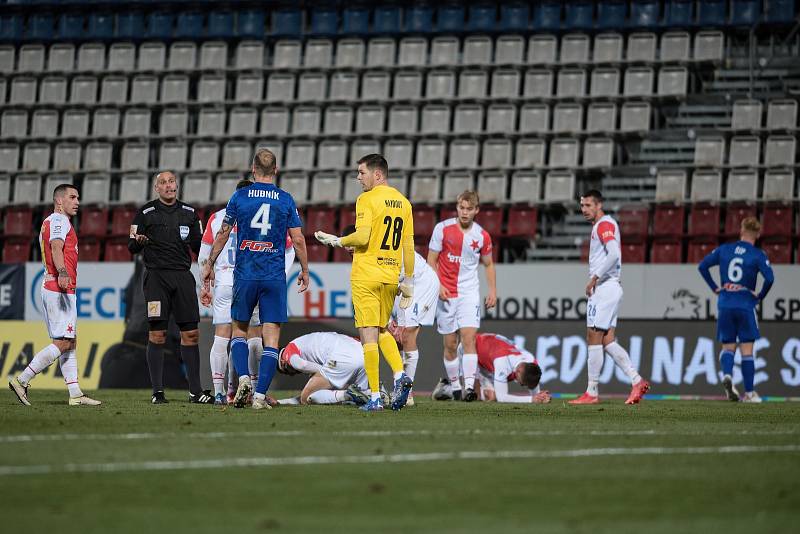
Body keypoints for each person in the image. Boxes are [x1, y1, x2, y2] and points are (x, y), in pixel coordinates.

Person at [201, 149, 309, 410]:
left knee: (238, 331)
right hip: (273, 275)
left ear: (252, 169)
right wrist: (305, 270)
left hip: (245, 274)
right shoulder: (285, 199)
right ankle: (259, 396)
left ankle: (243, 379)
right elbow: (297, 239)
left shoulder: (239, 196)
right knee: (270, 337)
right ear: (276, 169)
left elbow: (224, 233)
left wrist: (209, 264)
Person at [313, 153, 415, 412]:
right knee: (381, 330)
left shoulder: (367, 199)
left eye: (362, 172)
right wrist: (410, 281)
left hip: (367, 275)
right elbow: (408, 245)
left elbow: (362, 237)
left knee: (368, 336)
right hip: (392, 276)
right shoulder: (403, 203)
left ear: (377, 174)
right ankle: (401, 375)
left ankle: (375, 397)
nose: (358, 178)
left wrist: (337, 241)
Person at [8, 184, 101, 407]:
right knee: (62, 342)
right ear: (59, 201)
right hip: (58, 287)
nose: (77, 201)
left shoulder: (51, 221)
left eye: (78, 197)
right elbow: (56, 246)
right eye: (72, 197)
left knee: (70, 341)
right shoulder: (59, 220)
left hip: (54, 286)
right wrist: (62, 272)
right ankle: (23, 380)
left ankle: (75, 393)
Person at [128, 171, 211, 404]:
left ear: (177, 185)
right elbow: (131, 246)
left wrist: (209, 268)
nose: (168, 186)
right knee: (157, 334)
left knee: (191, 334)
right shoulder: (144, 213)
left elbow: (200, 248)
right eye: (163, 183)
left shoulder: (190, 214)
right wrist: (139, 241)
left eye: (171, 181)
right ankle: (157, 392)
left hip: (183, 278)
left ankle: (195, 392)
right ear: (157, 188)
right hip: (156, 279)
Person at [570, 190, 649, 405]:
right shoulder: (604, 225)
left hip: (604, 288)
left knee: (593, 336)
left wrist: (594, 277)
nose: (584, 209)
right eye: (582, 205)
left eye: (588, 205)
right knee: (607, 340)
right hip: (611, 287)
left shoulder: (604, 224)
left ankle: (592, 392)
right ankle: (636, 380)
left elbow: (613, 253)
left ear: (599, 205)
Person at [427, 190, 497, 402]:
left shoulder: (482, 236)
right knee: (450, 343)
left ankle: (469, 387)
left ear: (476, 210)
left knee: (469, 339)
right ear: (457, 207)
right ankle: (455, 386)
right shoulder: (442, 229)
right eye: (461, 208)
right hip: (446, 293)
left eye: (469, 209)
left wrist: (493, 290)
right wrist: (437, 285)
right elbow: (431, 260)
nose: (464, 213)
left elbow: (489, 263)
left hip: (469, 293)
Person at [698, 217, 774, 403]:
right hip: (745, 304)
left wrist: (715, 287)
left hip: (725, 303)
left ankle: (727, 375)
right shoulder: (758, 255)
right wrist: (760, 296)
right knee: (747, 349)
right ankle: (749, 393)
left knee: (728, 346)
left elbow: (702, 266)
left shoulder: (725, 249)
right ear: (757, 234)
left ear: (741, 230)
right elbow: (770, 279)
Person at [433, 333, 550, 404]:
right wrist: (531, 400)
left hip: (488, 355)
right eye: (522, 383)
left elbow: (533, 386)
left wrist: (540, 396)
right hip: (470, 350)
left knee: (490, 395)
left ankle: (454, 389)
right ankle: (445, 388)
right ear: (518, 371)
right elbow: (502, 398)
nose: (521, 385)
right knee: (477, 395)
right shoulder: (503, 362)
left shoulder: (530, 360)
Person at [387, 249, 440, 406]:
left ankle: (407, 394)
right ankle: (400, 386)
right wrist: (389, 321)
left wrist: (396, 321)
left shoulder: (386, 252)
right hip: (403, 284)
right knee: (397, 339)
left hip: (420, 283)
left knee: (406, 334)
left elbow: (395, 288)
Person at [275, 332, 371, 406]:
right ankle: (378, 393)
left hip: (341, 357)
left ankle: (348, 395)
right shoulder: (306, 341)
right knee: (364, 396)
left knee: (306, 397)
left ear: (283, 363)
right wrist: (280, 402)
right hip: (364, 352)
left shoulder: (288, 351)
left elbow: (301, 365)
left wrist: (321, 370)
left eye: (288, 372)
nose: (293, 374)